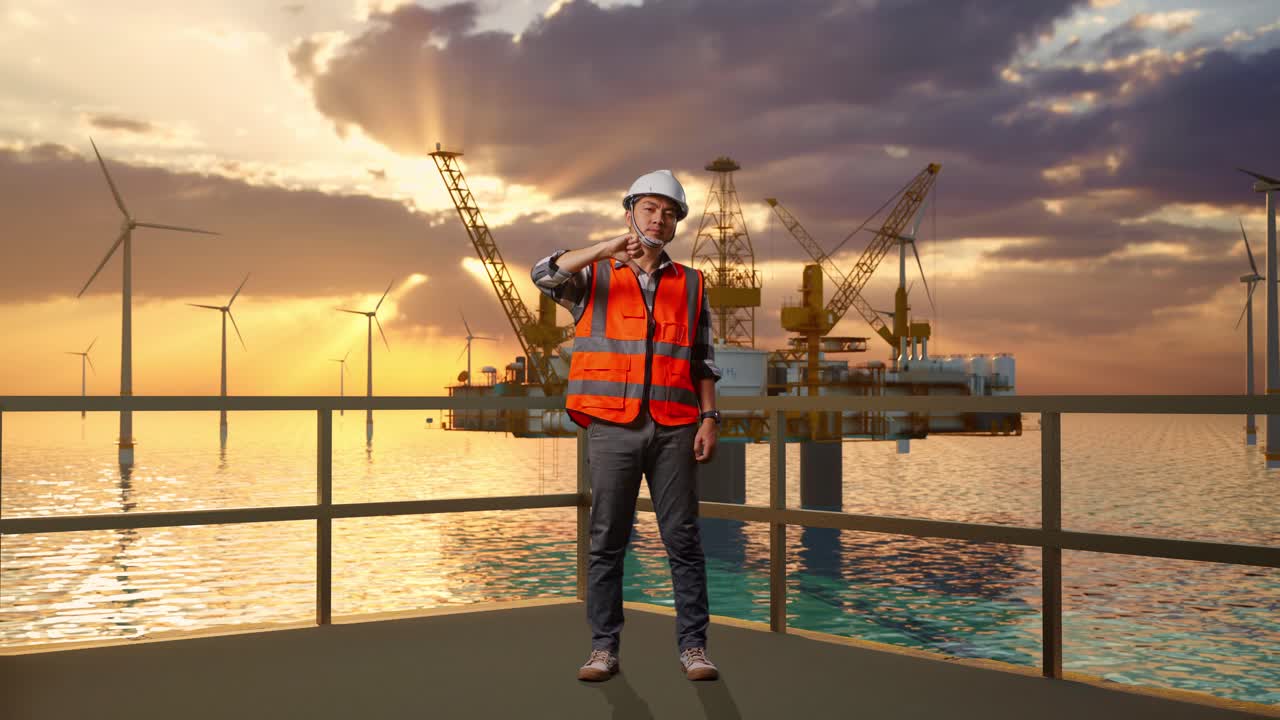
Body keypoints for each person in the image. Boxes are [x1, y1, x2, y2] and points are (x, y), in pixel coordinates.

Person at [531, 169, 722, 682]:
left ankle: (694, 648)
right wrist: (603, 249)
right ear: (630, 212)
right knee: (606, 539)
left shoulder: (692, 283)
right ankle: (603, 648)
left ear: (677, 223)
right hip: (612, 426)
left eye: (669, 212)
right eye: (649, 210)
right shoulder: (592, 277)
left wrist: (710, 417)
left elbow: (702, 360)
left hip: (676, 425)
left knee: (682, 539)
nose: (658, 220)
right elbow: (542, 274)